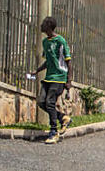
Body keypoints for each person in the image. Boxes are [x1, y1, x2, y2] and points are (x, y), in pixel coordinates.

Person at [29, 16, 73, 144]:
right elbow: (48, 61)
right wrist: (37, 71)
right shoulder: (45, 42)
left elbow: (69, 62)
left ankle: (54, 132)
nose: (41, 25)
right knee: (41, 101)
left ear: (48, 26)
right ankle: (63, 118)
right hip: (49, 78)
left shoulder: (60, 41)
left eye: (43, 24)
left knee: (50, 102)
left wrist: (68, 81)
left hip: (59, 78)